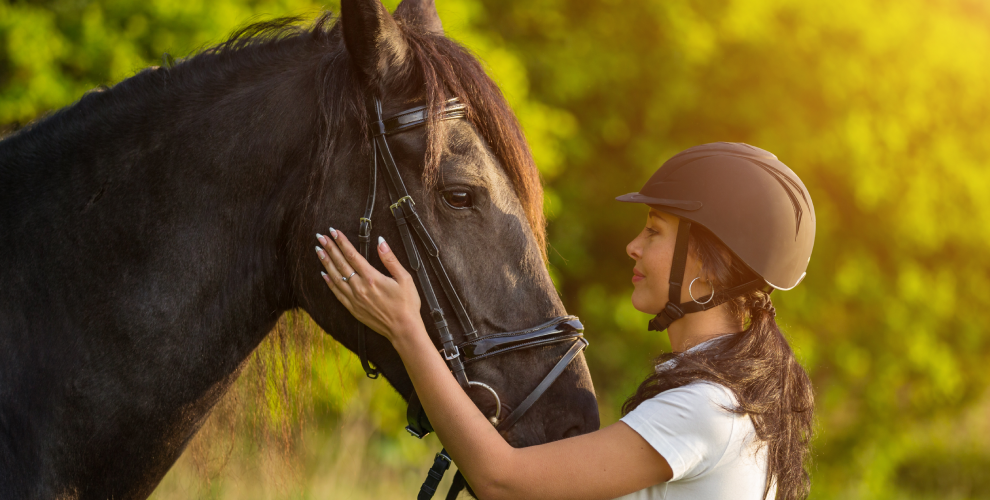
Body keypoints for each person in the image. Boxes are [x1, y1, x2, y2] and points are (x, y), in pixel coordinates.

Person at [314, 142, 816, 500]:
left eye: (655, 232)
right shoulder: (727, 399)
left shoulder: (706, 408)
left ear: (708, 262)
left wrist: (407, 329)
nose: (633, 247)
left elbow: (500, 480)